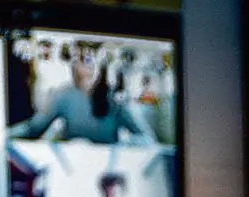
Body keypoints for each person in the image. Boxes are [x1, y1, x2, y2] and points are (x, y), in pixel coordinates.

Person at [8, 42, 152, 145]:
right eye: (74, 60)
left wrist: (123, 143)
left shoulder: (115, 100)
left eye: (86, 60)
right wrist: (3, 135)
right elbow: (33, 129)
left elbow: (146, 138)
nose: (78, 67)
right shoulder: (63, 96)